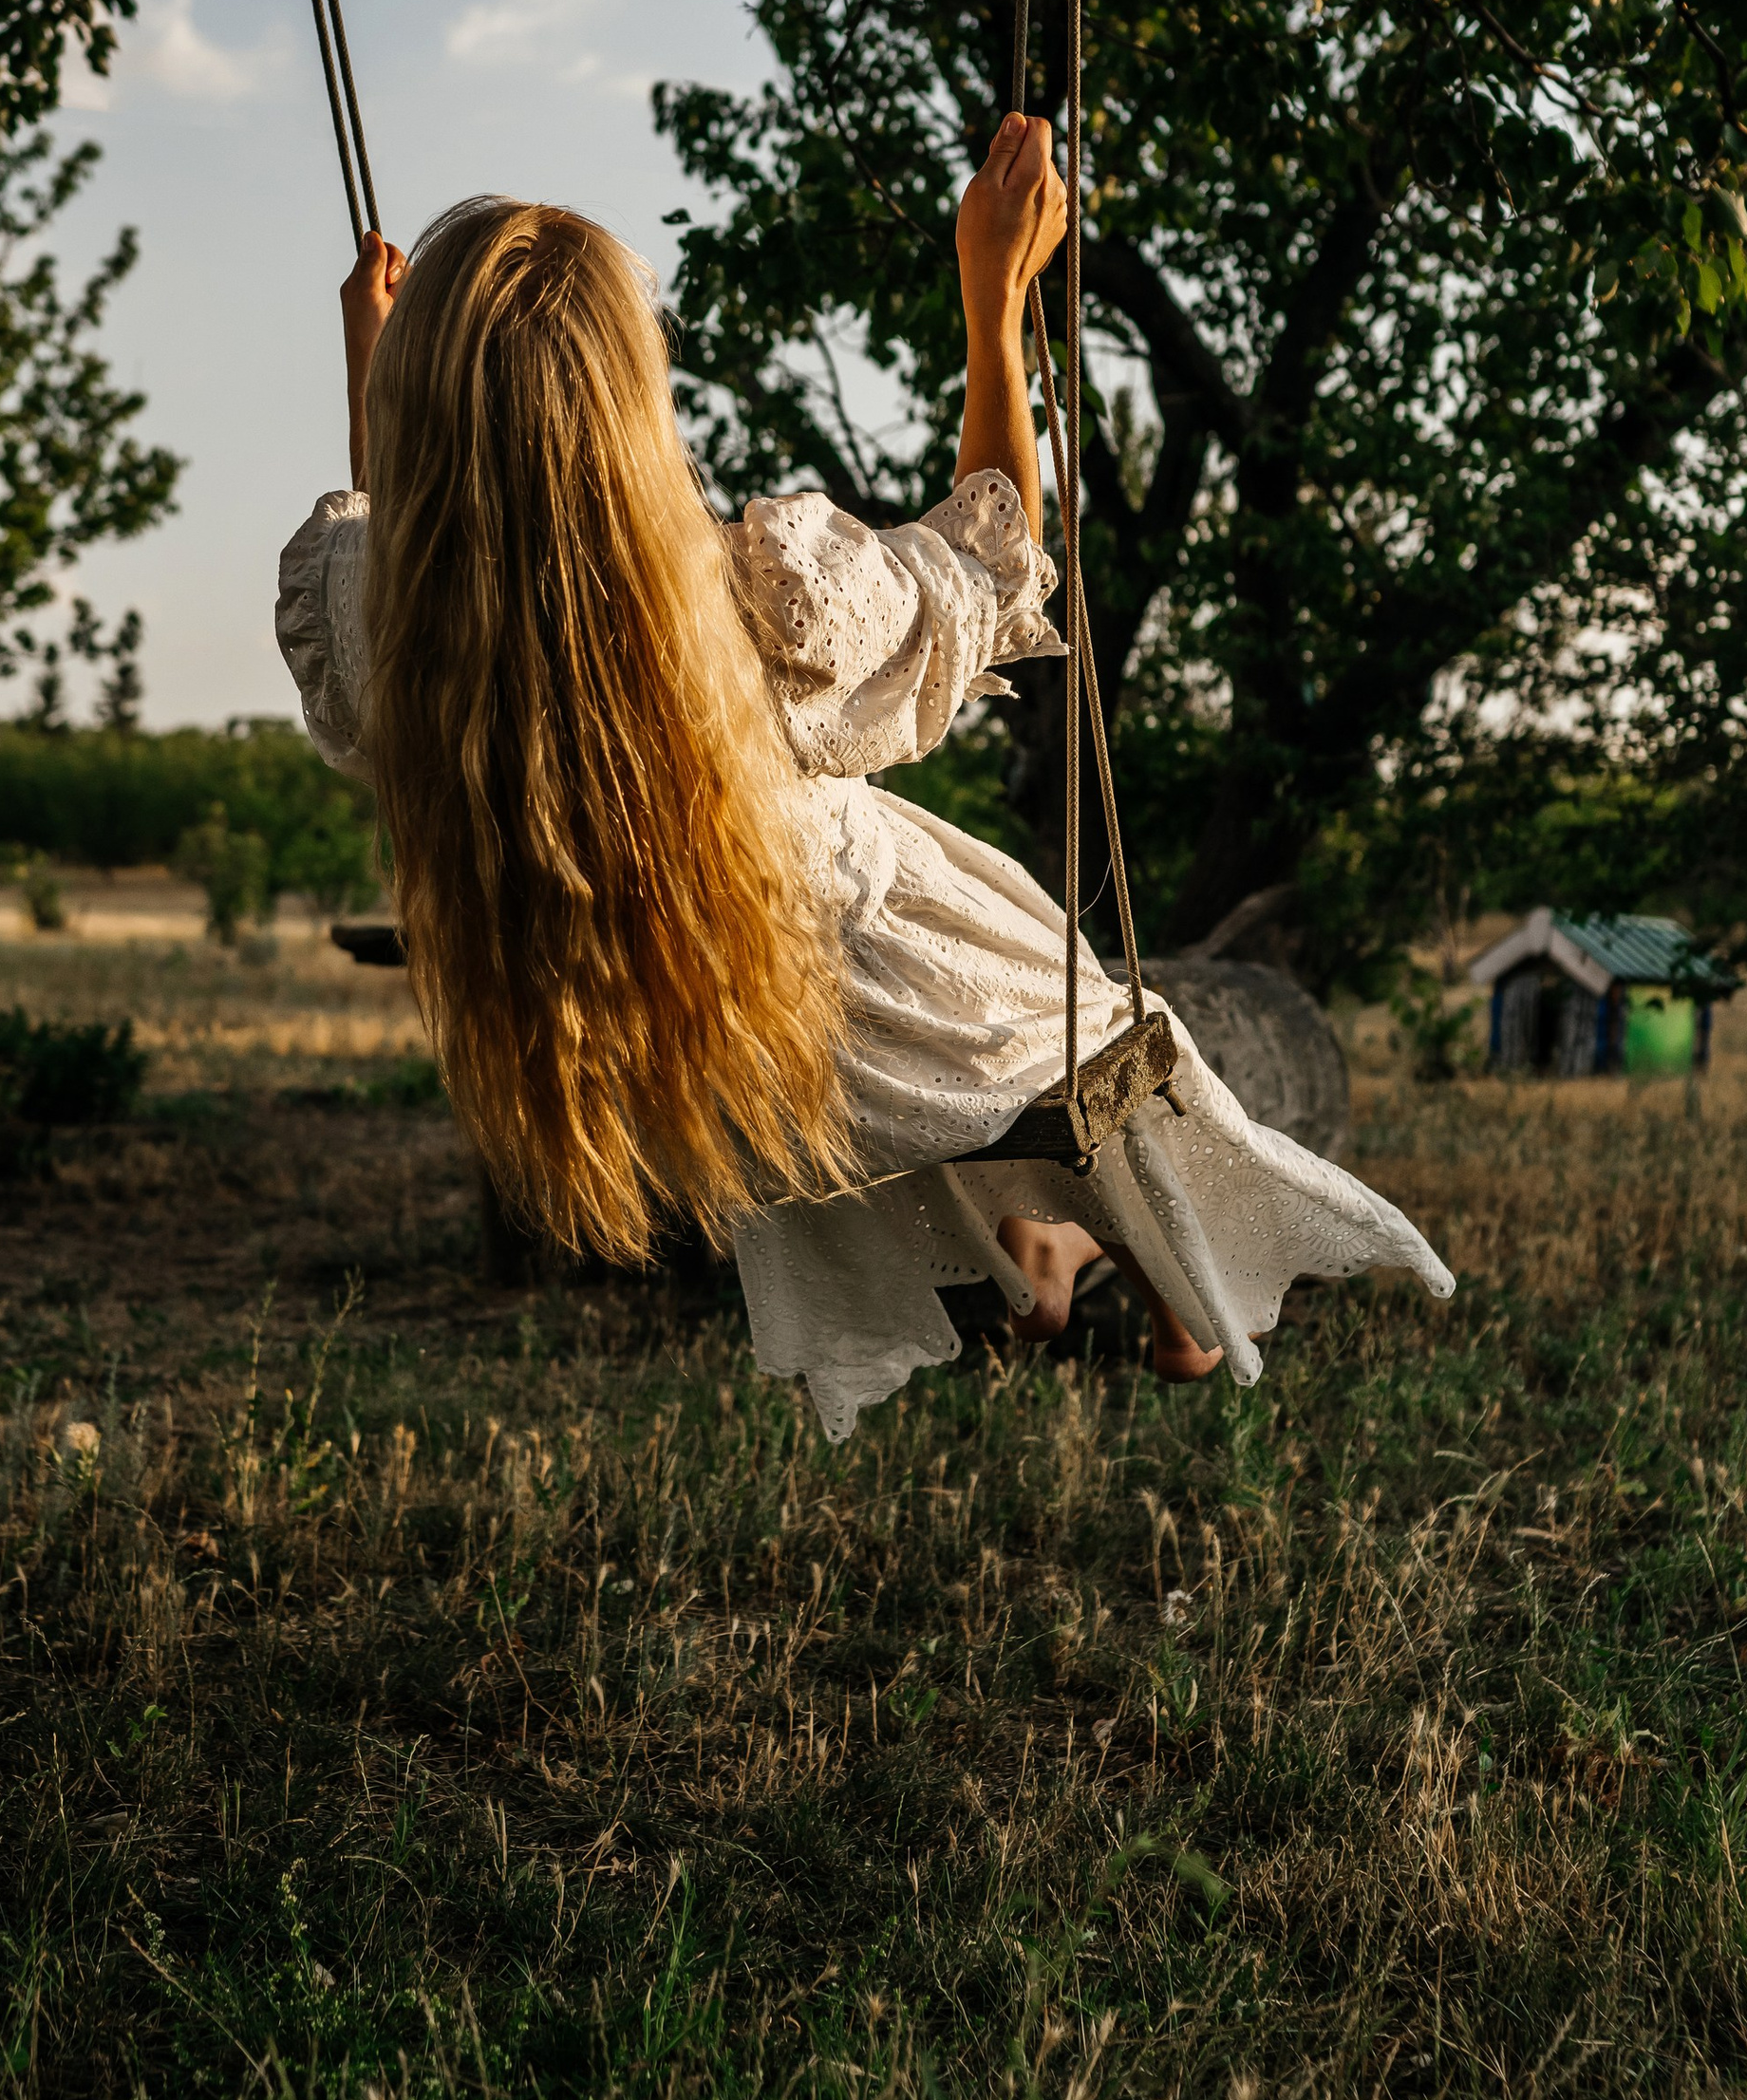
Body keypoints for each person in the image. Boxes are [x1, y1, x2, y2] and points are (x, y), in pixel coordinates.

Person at [276, 120, 1452, 1437]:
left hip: (701, 1053)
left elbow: (408, 565)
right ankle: (1155, 1288)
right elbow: (991, 558)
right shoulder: (751, 606)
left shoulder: (388, 628)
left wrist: (375, 376)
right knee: (1112, 1052)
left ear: (416, 417)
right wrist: (994, 299)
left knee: (1001, 1106)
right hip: (872, 985)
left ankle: (1037, 1259)